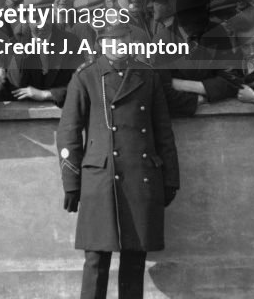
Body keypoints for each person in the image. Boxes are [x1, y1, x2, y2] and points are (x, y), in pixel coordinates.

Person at [57, 22, 179, 299]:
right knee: (96, 259)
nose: (118, 44)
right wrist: (71, 182)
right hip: (101, 178)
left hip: (141, 176)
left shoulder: (147, 76)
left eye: (123, 38)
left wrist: (170, 178)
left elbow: (163, 131)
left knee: (135, 257)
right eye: (111, 40)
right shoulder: (87, 76)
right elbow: (68, 132)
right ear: (100, 43)